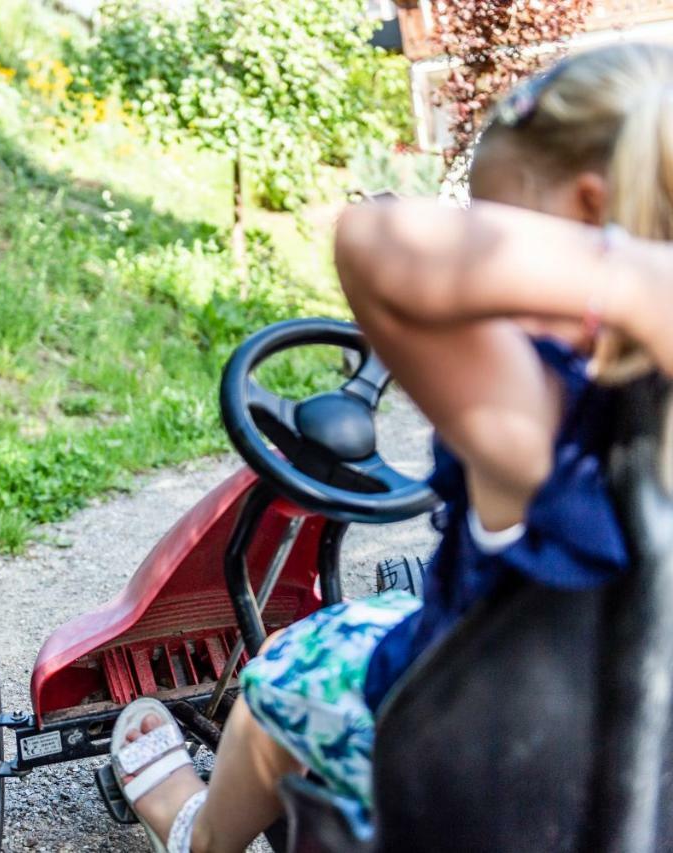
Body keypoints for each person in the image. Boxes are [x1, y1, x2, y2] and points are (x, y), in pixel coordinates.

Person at [107, 42, 673, 853]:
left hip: (487, 766)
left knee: (283, 676)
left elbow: (376, 242)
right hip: (638, 777)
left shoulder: (554, 429)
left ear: (588, 224)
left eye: (494, 236)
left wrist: (628, 278)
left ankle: (198, 833)